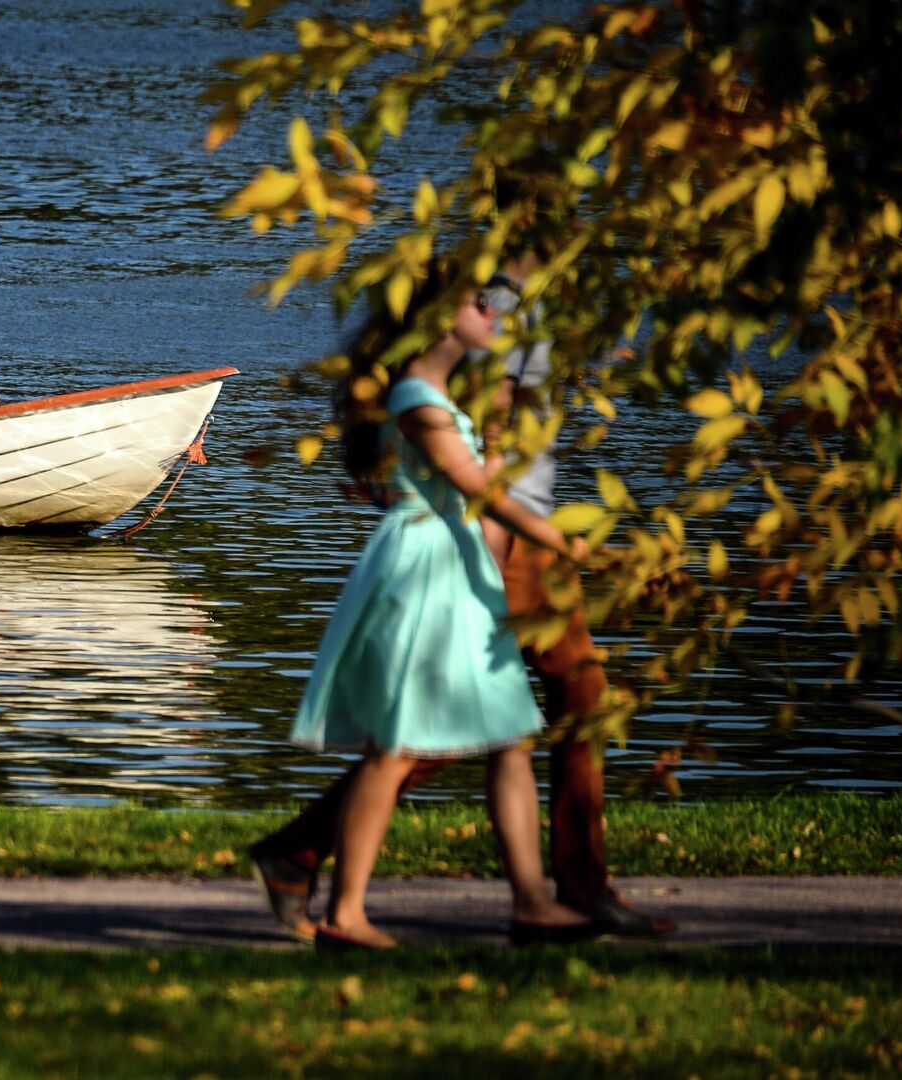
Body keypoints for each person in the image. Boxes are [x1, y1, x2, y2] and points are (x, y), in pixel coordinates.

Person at [247, 260, 676, 944]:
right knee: (418, 738)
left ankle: (535, 900)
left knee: (511, 730)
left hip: (474, 549)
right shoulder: (437, 377)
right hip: (450, 565)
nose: (492, 313)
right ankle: (334, 895)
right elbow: (481, 480)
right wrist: (565, 545)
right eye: (479, 305)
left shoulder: (479, 346)